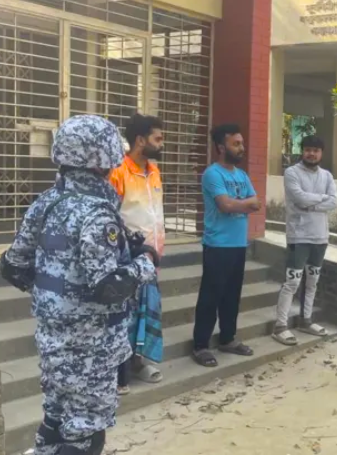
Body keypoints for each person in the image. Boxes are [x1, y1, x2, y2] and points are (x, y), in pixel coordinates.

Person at [0, 114, 158, 455]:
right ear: (102, 158)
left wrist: (55, 296)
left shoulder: (46, 202)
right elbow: (108, 287)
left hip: (52, 341)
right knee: (85, 436)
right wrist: (145, 263)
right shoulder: (97, 213)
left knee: (55, 422)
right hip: (91, 349)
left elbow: (12, 266)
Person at [192, 124, 260, 367]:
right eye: (236, 144)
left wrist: (236, 203)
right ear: (221, 147)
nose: (241, 148)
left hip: (238, 244)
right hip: (218, 245)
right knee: (210, 297)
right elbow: (224, 205)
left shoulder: (241, 175)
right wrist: (242, 203)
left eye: (241, 143)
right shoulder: (212, 174)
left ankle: (227, 339)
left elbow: (256, 203)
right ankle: (200, 345)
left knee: (232, 296)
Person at [110, 114, 166, 394]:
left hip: (152, 258)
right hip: (128, 258)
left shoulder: (154, 171)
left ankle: (139, 360)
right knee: (126, 316)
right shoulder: (118, 172)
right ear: (141, 140)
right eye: (158, 138)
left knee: (146, 312)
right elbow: (111, 217)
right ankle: (119, 371)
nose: (162, 143)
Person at [273, 135, 337, 345]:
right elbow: (299, 198)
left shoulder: (327, 176)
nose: (312, 154)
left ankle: (306, 320)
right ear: (302, 151)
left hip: (320, 236)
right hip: (298, 236)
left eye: (316, 150)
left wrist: (310, 204)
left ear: (321, 153)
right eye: (308, 149)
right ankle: (280, 326)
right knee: (292, 281)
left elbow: (334, 202)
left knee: (312, 281)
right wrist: (322, 199)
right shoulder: (292, 173)